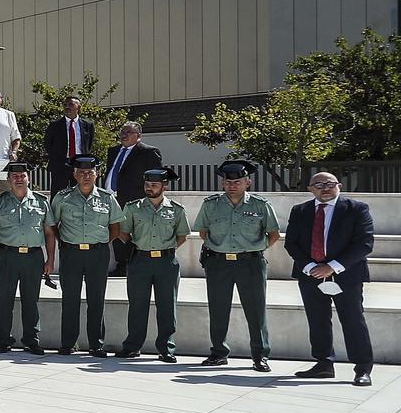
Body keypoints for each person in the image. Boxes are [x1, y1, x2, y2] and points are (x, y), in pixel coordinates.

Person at [286, 172, 375, 386]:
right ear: (310, 189)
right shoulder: (300, 211)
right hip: (310, 275)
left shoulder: (356, 209)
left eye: (329, 184)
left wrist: (331, 267)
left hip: (347, 274)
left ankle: (362, 368)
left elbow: (364, 243)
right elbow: (291, 243)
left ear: (339, 186)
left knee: (353, 320)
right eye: (318, 185)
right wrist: (310, 267)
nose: (324, 188)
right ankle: (323, 364)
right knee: (317, 320)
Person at [196, 160, 279, 372]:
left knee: (256, 310)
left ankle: (260, 355)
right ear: (223, 184)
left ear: (248, 182)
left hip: (250, 263)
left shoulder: (260, 205)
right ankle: (218, 353)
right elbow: (203, 232)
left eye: (238, 181)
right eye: (228, 182)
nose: (232, 185)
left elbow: (273, 234)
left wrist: (251, 250)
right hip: (218, 263)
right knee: (218, 309)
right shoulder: (211, 204)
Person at [47, 154, 122, 356]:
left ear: (96, 174)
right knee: (70, 299)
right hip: (71, 253)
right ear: (74, 174)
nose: (86, 176)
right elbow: (52, 224)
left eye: (90, 172)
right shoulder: (63, 197)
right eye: (82, 172)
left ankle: (96, 344)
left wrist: (101, 243)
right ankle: (68, 343)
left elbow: (115, 227)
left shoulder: (107, 198)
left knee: (96, 299)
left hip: (97, 254)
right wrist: (63, 242)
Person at [115, 168, 186, 362]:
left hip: (166, 262)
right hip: (140, 260)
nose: (150, 188)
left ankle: (166, 348)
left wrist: (164, 249)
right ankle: (132, 346)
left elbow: (181, 236)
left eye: (154, 185)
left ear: (164, 186)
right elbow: (124, 233)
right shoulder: (133, 208)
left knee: (167, 306)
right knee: (137, 305)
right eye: (147, 184)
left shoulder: (176, 210)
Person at [0, 163, 47, 355]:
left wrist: (50, 260)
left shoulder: (41, 201)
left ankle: (32, 339)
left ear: (29, 178)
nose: (19, 179)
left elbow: (50, 233)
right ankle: (3, 340)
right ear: (8, 180)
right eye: (15, 176)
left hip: (33, 257)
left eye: (22, 175)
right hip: (7, 257)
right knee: (5, 300)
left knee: (31, 301)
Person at [102, 122, 163, 275]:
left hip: (135, 199)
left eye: (128, 132)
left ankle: (134, 265)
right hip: (112, 198)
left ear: (138, 136)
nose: (124, 134)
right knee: (116, 232)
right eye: (122, 131)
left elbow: (156, 178)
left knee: (133, 233)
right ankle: (121, 265)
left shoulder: (148, 152)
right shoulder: (113, 151)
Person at [43, 96, 94, 193]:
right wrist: (57, 158)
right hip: (60, 165)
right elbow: (48, 144)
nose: (67, 107)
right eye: (65, 105)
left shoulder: (87, 125)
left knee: (80, 192)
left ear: (78, 107)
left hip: (80, 164)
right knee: (58, 193)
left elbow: (88, 144)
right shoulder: (55, 125)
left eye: (71, 104)